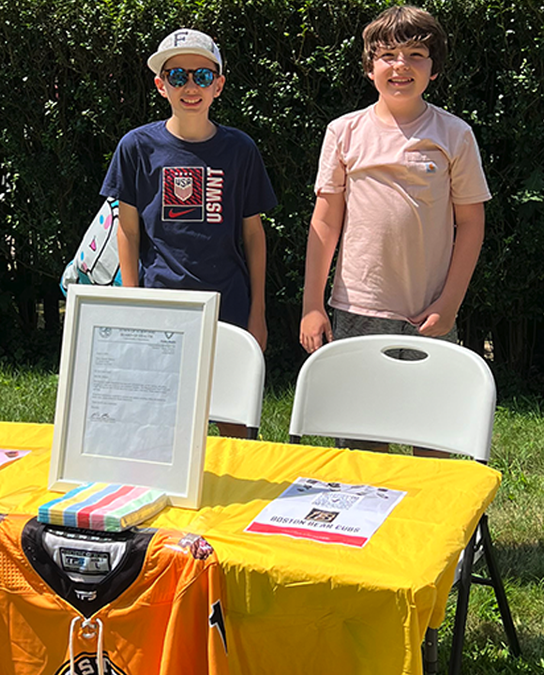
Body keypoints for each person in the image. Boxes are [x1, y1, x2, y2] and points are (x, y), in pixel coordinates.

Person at [299, 5, 491, 456]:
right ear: (369, 67)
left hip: (429, 314)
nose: (400, 65)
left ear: (434, 68)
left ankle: (431, 525)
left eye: (415, 54)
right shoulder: (344, 132)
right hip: (356, 310)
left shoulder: (454, 135)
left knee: (434, 441)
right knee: (359, 445)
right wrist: (312, 304)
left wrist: (449, 304)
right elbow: (325, 221)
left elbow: (472, 223)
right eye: (387, 55)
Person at [102, 28, 277, 438]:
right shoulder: (136, 146)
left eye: (201, 76)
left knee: (237, 429)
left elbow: (254, 235)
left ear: (219, 84)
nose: (190, 86)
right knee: (164, 428)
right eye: (178, 76)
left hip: (229, 307)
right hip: (161, 306)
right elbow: (127, 230)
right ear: (161, 86)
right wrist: (133, 303)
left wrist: (258, 313)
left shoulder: (240, 149)